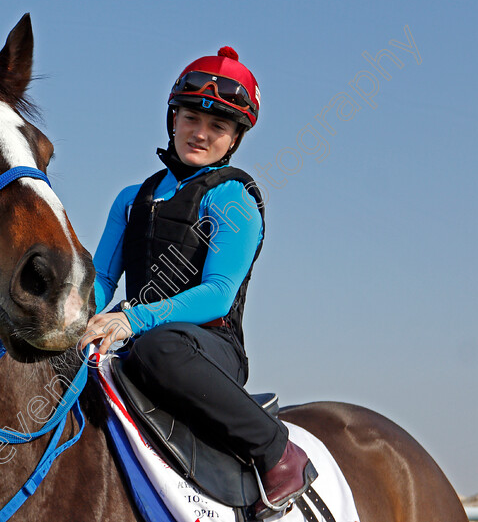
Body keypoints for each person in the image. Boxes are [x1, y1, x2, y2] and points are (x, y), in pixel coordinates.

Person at [80, 47, 317, 518]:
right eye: (191, 117)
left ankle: (277, 452)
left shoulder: (235, 199)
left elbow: (218, 294)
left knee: (156, 347)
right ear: (173, 118)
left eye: (219, 127)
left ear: (235, 139)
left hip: (206, 347)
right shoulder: (131, 198)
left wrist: (133, 319)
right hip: (137, 336)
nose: (201, 133)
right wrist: (78, 318)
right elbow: (103, 278)